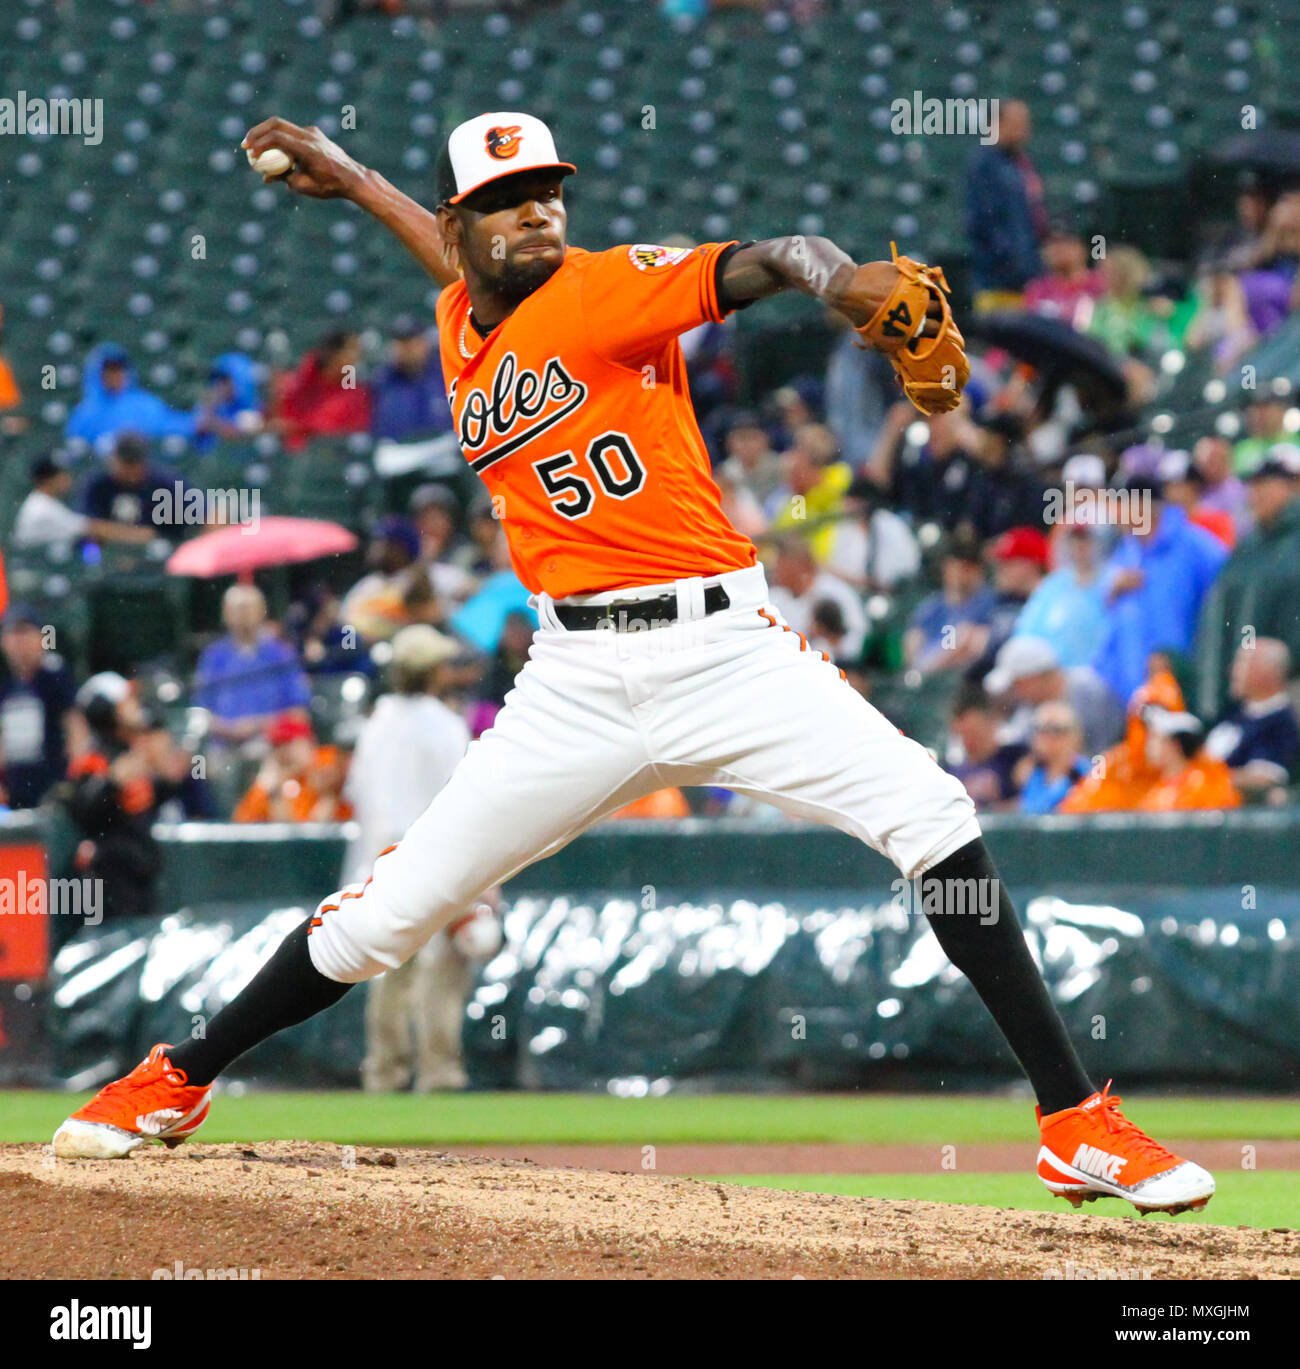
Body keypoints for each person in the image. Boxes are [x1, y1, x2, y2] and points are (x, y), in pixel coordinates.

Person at [54, 109, 1215, 1217]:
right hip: (571, 683)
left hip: (725, 652)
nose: (534, 218)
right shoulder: (464, 315)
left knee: (933, 808)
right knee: (386, 917)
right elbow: (452, 263)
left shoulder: (606, 290)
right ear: (464, 228)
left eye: (544, 194)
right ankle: (182, 1073)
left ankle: (1072, 1116)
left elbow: (767, 257)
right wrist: (356, 182)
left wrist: (838, 277)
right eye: (503, 204)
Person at [342, 624, 493, 1092]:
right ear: (433, 671)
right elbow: (463, 799)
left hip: (379, 860)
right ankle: (439, 1072)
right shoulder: (444, 724)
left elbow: (357, 794)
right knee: (443, 970)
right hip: (435, 856)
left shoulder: (376, 722)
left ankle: (384, 1072)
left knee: (387, 969)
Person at [1092, 475, 1228, 709]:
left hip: (1183, 681)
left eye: (1122, 504)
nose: (1115, 513)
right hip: (1128, 687)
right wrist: (1110, 590)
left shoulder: (1195, 546)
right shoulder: (1125, 551)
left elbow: (1226, 600)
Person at [1196, 445, 1300, 718]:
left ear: (1294, 485)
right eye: (1253, 485)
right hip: (1246, 691)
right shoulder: (1248, 545)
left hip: (1291, 686)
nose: (1256, 493)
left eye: (1266, 482)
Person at [193, 584, 312, 750]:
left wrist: (258, 725)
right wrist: (231, 729)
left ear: (262, 611)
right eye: (238, 608)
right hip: (224, 747)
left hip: (273, 744)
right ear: (225, 613)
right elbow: (200, 712)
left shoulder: (282, 654)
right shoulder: (213, 657)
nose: (243, 614)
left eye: (248, 608)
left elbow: (299, 712)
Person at [983, 634, 1124, 758]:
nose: (1015, 692)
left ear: (1034, 677)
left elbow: (1106, 752)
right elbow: (1016, 740)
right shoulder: (1031, 705)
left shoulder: (1091, 694)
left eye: (1018, 684)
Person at [964, 98, 1046, 311]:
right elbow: (980, 220)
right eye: (1016, 123)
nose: (1025, 129)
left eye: (1026, 123)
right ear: (997, 124)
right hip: (996, 281)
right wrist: (1011, 258)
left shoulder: (1023, 163)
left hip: (1026, 279)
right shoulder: (985, 164)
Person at [0, 605, 77, 809]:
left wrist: (72, 779)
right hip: (16, 790)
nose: (18, 641)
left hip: (52, 789)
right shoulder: (7, 687)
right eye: (11, 634)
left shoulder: (55, 677)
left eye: (24, 632)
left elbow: (75, 727)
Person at [1204, 639, 1299, 804]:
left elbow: (1263, 780)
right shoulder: (1233, 713)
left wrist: (1199, 777)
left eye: (1242, 664)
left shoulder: (1281, 724)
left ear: (1267, 672)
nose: (1232, 671)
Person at [66, 344, 200, 447]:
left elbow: (169, 425)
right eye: (110, 371)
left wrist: (196, 423)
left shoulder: (145, 403)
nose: (115, 376)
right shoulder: (86, 412)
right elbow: (77, 446)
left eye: (119, 370)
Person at [1014, 522, 1109, 669]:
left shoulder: (1115, 582)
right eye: (1075, 542)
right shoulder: (1053, 585)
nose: (1080, 548)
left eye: (1086, 541)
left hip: (1099, 674)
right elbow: (1027, 630)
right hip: (1050, 674)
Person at [12, 453, 153, 550]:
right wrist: (136, 535)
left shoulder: (44, 502)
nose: (68, 478)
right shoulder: (41, 507)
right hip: (34, 570)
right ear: (47, 479)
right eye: (62, 475)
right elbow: (91, 527)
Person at [903, 530, 995, 676]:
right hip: (924, 671)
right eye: (955, 567)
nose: (959, 574)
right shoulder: (933, 605)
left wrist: (930, 669)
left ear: (978, 570)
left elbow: (971, 641)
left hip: (958, 676)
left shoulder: (988, 602)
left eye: (967, 568)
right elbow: (914, 637)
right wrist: (918, 667)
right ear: (946, 568)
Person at [232, 714, 352, 823]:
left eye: (288, 743)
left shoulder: (327, 758)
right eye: (277, 746)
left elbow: (342, 779)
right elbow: (243, 820)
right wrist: (266, 788)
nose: (283, 752)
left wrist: (324, 783)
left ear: (307, 741)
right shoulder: (277, 779)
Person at [767, 535, 867, 663]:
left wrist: (829, 639)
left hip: (834, 669)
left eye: (781, 563)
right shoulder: (775, 597)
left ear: (800, 565)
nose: (775, 569)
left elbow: (855, 642)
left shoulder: (836, 593)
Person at [270, 330, 372, 450]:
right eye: (351, 350)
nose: (356, 357)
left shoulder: (352, 387)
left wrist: (296, 427)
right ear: (333, 353)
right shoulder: (300, 379)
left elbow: (340, 427)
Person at [821, 475, 920, 593]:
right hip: (856, 591)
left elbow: (908, 565)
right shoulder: (844, 528)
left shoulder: (890, 525)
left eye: (851, 502)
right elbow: (837, 566)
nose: (845, 506)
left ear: (863, 503)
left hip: (893, 592)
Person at [78, 433, 189, 538]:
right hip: (106, 550)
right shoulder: (98, 484)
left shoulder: (166, 484)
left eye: (133, 465)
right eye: (124, 464)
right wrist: (137, 535)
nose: (128, 472)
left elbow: (201, 518)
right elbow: (88, 524)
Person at [1134, 709, 1240, 813]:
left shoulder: (1205, 786)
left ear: (1175, 746)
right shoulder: (1158, 790)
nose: (1148, 746)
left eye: (1154, 738)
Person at [369, 315, 454, 442]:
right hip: (395, 451)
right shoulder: (380, 381)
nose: (406, 348)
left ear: (425, 343)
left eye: (412, 341)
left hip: (442, 450)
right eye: (400, 342)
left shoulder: (446, 375)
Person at [944, 684, 1027, 811]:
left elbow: (1030, 802)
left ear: (992, 724)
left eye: (975, 733)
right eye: (964, 734)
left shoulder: (1016, 758)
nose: (970, 740)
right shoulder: (952, 772)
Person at [1015, 701, 1091, 815]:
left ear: (1076, 735)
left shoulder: (1087, 774)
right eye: (1040, 729)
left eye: (1057, 730)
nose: (1047, 737)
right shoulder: (1032, 773)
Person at [1022, 225, 1103, 328]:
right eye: (1050, 243)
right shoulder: (1037, 289)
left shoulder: (1100, 284)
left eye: (1065, 242)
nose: (1057, 249)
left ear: (1083, 248)